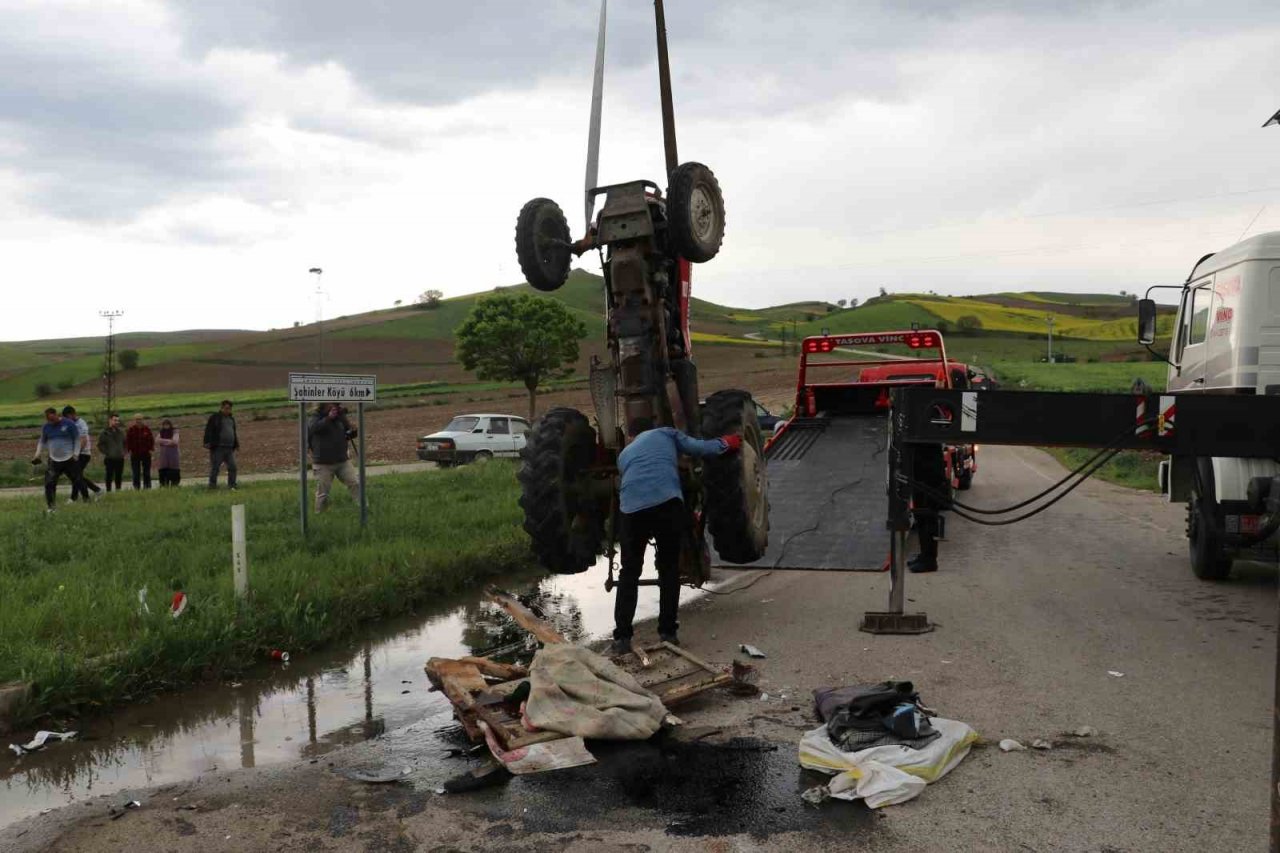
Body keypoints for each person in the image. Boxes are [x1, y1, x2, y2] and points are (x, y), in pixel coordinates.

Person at [611, 419, 740, 654]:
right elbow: (700, 448)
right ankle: (668, 633)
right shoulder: (666, 433)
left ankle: (622, 639)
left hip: (631, 510)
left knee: (629, 572)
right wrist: (726, 443)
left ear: (631, 436)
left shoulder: (625, 454)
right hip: (666, 504)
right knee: (668, 569)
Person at [32, 407, 86, 513]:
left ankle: (86, 499)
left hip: (69, 459)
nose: (51, 422)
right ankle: (51, 507)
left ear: (57, 415)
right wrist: (37, 454)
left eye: (53, 419)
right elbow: (42, 442)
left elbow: (77, 439)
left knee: (78, 480)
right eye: (49, 420)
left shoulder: (69, 424)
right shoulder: (46, 427)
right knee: (49, 483)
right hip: (54, 460)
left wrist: (76, 454)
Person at [307, 403, 360, 511]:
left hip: (342, 461)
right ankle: (320, 513)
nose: (335, 405)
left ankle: (363, 507)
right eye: (332, 403)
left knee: (355, 483)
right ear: (324, 404)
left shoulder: (340, 416)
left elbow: (349, 434)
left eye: (336, 404)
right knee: (323, 493)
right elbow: (314, 428)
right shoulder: (315, 416)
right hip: (323, 463)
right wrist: (328, 418)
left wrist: (353, 429)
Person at [63, 405, 102, 502]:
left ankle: (74, 498)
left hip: (83, 454)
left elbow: (83, 441)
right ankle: (97, 490)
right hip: (74, 453)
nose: (66, 420)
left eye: (67, 417)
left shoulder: (81, 424)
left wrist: (76, 454)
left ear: (72, 414)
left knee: (76, 476)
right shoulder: (69, 424)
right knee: (76, 476)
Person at [204, 400, 239, 490]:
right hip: (218, 447)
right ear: (222, 408)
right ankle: (212, 486)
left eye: (229, 409)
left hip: (229, 448)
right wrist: (207, 442)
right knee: (215, 468)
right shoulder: (215, 418)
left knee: (233, 467)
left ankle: (232, 485)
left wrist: (236, 444)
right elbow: (208, 430)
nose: (228, 410)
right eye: (226, 408)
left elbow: (233, 432)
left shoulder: (231, 419)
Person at [98, 412, 126, 492]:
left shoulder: (121, 432)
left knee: (119, 476)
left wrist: (123, 451)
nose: (117, 422)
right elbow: (100, 445)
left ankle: (118, 491)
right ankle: (108, 491)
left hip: (120, 458)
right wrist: (107, 452)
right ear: (110, 420)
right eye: (115, 420)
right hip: (110, 458)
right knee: (109, 476)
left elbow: (125, 443)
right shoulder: (104, 433)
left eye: (118, 420)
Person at [125, 413, 154, 490]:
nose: (138, 421)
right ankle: (136, 487)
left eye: (140, 419)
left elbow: (151, 440)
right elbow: (128, 441)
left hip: (146, 453)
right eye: (137, 419)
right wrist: (129, 450)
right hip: (135, 453)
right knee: (136, 472)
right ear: (134, 420)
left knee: (146, 471)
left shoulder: (146, 429)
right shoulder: (131, 429)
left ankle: (147, 486)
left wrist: (151, 449)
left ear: (142, 420)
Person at [156, 418, 181, 486]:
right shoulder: (161, 432)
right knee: (163, 469)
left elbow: (175, 441)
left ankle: (174, 484)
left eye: (167, 424)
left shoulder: (175, 432)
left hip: (173, 455)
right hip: (164, 456)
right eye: (164, 425)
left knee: (173, 469)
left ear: (170, 425)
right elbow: (157, 440)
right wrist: (169, 441)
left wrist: (163, 441)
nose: (166, 426)